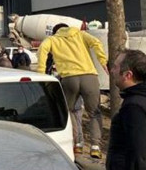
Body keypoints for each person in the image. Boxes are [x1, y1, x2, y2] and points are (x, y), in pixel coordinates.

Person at [37, 23, 108, 158]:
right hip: (89, 76)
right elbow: (96, 42)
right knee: (94, 112)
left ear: (55, 32)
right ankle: (95, 146)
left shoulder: (52, 40)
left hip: (69, 78)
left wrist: (41, 73)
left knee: (69, 111)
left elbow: (42, 51)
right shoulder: (80, 34)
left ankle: (78, 143)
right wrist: (103, 61)